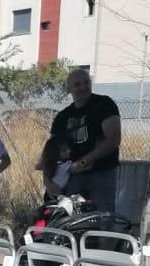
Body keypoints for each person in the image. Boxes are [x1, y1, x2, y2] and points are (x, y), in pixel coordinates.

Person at [44, 68, 121, 211]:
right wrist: (48, 181)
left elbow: (114, 139)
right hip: (72, 176)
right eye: (77, 84)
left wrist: (84, 161)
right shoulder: (63, 117)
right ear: (69, 89)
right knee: (69, 218)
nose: (83, 87)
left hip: (102, 174)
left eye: (86, 82)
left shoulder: (104, 104)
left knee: (101, 218)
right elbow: (50, 151)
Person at [40, 135, 73, 200]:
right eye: (64, 150)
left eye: (68, 148)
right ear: (56, 153)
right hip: (57, 196)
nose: (69, 151)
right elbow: (79, 168)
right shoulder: (64, 166)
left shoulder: (51, 166)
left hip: (51, 195)